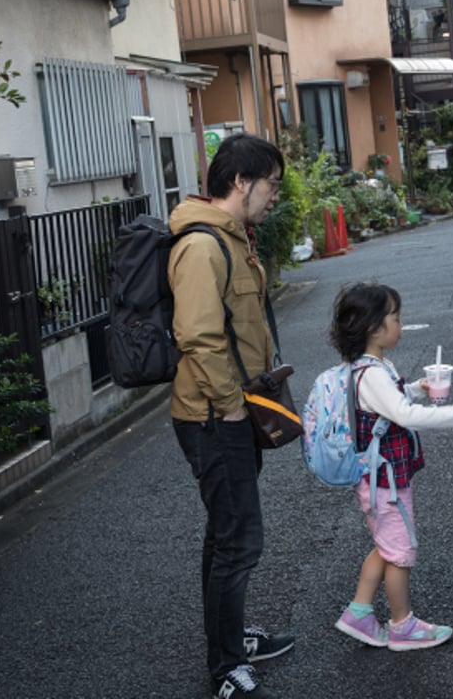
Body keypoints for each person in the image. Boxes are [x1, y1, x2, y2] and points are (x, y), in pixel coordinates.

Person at [168, 133, 293, 699]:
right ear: (241, 182)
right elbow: (197, 335)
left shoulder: (230, 237)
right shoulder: (201, 246)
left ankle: (231, 639)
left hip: (229, 410)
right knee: (239, 539)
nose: (273, 197)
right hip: (214, 417)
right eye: (270, 185)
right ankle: (225, 668)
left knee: (226, 535)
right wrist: (232, 407)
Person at [329, 283, 453, 651]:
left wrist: (417, 385)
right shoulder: (371, 374)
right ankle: (402, 625)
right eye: (396, 318)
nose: (401, 325)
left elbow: (393, 401)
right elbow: (402, 413)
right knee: (400, 553)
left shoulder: (370, 366)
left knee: (386, 546)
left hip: (380, 478)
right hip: (384, 480)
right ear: (374, 328)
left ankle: (359, 612)